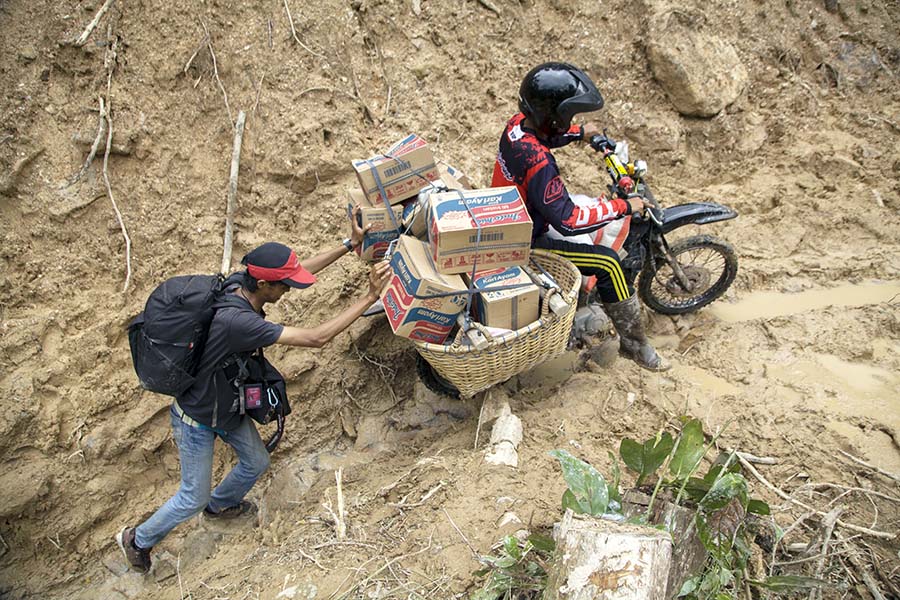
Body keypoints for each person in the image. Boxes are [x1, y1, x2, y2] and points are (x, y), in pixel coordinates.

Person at [116, 212, 391, 573]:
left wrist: (348, 245)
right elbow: (316, 338)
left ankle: (221, 506)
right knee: (191, 497)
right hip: (197, 417)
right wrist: (370, 295)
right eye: (283, 286)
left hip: (225, 405)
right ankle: (137, 539)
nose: (288, 290)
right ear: (263, 284)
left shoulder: (239, 281)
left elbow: (299, 269)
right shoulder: (239, 322)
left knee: (256, 462)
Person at [491, 61, 669, 371]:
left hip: (509, 215)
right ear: (553, 116)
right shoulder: (540, 164)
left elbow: (543, 138)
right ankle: (636, 346)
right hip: (524, 240)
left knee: (589, 211)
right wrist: (625, 206)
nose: (569, 120)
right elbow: (569, 220)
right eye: (567, 116)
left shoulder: (517, 125)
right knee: (608, 264)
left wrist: (579, 133)